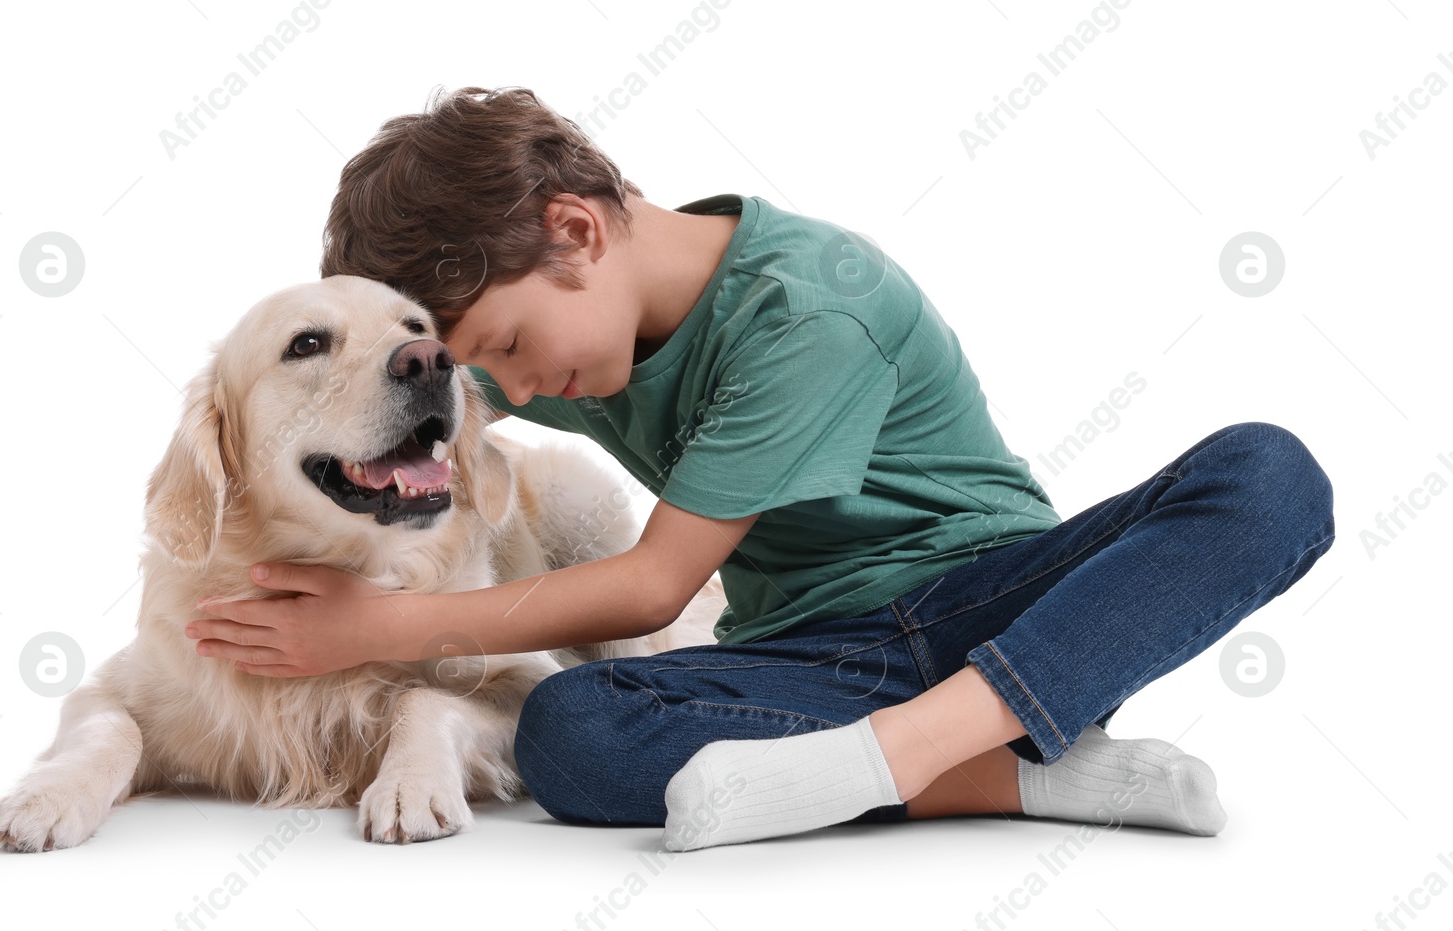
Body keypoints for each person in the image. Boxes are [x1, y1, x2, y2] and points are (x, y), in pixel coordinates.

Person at [187, 86, 1336, 852]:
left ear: (576, 231)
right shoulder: (587, 340)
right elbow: (396, 410)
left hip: (997, 609)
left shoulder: (810, 309)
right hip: (812, 659)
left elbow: (651, 590)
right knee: (566, 734)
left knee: (1269, 473)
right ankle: (1027, 775)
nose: (508, 392)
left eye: (503, 349)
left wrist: (376, 629)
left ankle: (915, 749)